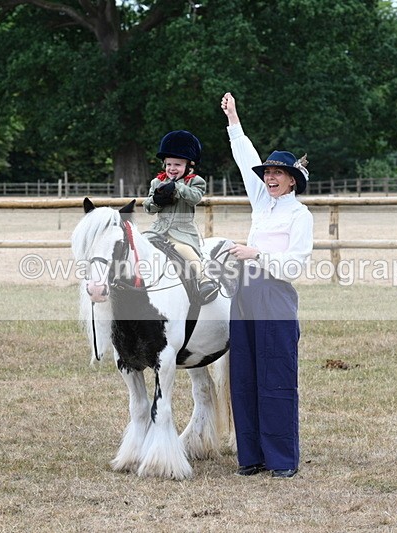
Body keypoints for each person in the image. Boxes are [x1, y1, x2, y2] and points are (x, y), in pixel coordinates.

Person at [220, 92, 314, 479]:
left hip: (274, 297)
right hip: (244, 295)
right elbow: (245, 160)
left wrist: (256, 253)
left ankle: (281, 460)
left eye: (277, 174)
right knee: (243, 376)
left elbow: (294, 264)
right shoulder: (262, 204)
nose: (270, 178)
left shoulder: (300, 215)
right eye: (268, 174)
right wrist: (234, 120)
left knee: (275, 377)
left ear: (292, 180)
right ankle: (252, 456)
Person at [143, 130, 219, 304]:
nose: (172, 169)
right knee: (138, 246)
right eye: (169, 164)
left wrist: (177, 188)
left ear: (189, 166)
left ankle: (204, 280)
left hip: (181, 233)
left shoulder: (196, 181)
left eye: (177, 165)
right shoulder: (156, 182)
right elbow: (148, 208)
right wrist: (157, 199)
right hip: (158, 230)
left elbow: (195, 198)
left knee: (187, 253)